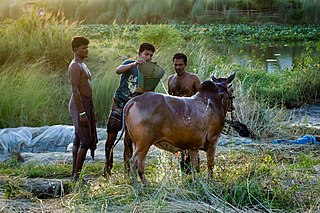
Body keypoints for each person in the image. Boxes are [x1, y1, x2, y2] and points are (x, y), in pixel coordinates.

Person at [104, 43, 156, 176]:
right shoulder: (129, 63)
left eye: (151, 55)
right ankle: (107, 167)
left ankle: (127, 171)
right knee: (111, 136)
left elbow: (149, 92)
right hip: (120, 102)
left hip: (134, 108)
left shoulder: (149, 71)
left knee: (128, 140)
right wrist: (134, 64)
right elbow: (118, 70)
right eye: (146, 54)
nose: (148, 57)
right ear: (139, 54)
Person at [68, 36, 98, 181]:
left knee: (79, 138)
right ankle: (76, 176)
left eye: (87, 47)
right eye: (83, 48)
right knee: (85, 141)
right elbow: (75, 90)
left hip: (86, 103)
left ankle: (74, 173)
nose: (86, 50)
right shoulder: (75, 65)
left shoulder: (83, 64)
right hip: (78, 104)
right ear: (75, 49)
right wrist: (81, 112)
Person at [168, 53, 201, 175]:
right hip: (176, 117)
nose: (177, 67)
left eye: (180, 65)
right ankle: (185, 174)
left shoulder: (193, 79)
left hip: (192, 117)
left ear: (186, 65)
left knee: (193, 146)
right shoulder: (170, 79)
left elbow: (202, 97)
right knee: (181, 147)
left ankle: (195, 173)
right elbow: (169, 100)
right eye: (175, 64)